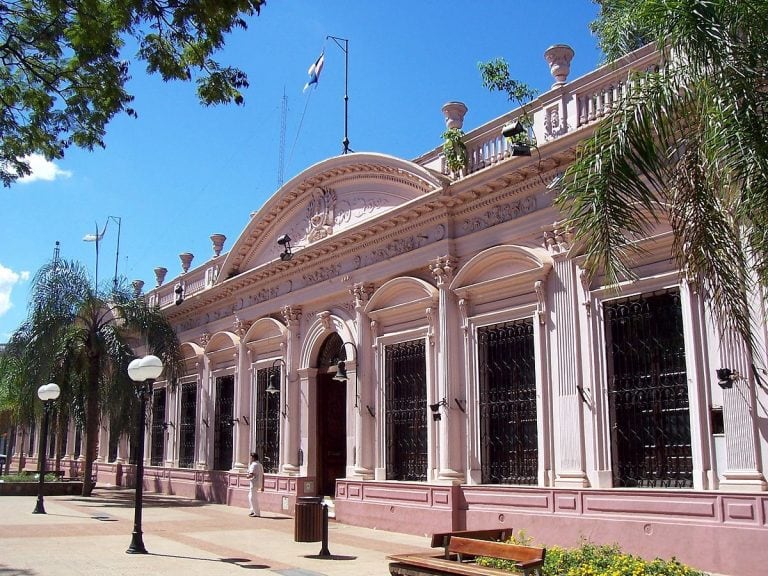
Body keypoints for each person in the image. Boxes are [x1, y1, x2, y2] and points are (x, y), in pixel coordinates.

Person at [246, 452, 264, 517]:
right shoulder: (260, 465)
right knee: (250, 496)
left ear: (253, 458)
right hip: (258, 483)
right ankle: (252, 511)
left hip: (254, 483)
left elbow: (251, 474)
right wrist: (262, 486)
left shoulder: (254, 465)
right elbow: (263, 475)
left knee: (253, 498)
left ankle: (256, 513)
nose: (250, 458)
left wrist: (247, 476)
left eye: (251, 457)